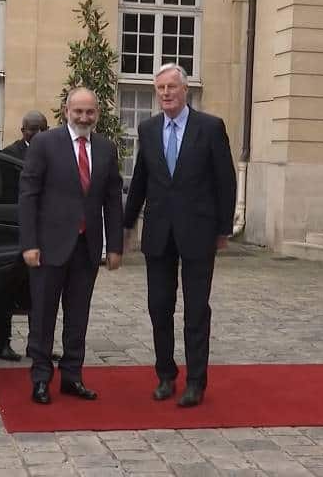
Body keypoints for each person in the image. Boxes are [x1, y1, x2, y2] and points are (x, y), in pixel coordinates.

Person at [124, 63, 237, 408]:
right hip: (158, 233)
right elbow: (141, 180)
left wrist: (223, 228)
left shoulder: (210, 128)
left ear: (185, 90)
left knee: (196, 310)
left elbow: (225, 181)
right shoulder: (149, 129)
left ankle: (196, 381)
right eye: (160, 88)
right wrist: (127, 226)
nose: (166, 93)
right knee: (159, 307)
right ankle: (165, 374)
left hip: (198, 232)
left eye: (172, 87)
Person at [19, 87, 123, 404]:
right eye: (78, 111)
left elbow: (112, 201)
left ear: (97, 115)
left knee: (78, 316)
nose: (83, 117)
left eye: (90, 112)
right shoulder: (44, 144)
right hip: (48, 247)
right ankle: (40, 378)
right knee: (43, 315)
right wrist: (29, 243)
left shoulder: (106, 149)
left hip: (86, 247)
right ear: (66, 111)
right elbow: (28, 196)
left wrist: (115, 245)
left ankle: (72, 376)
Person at [0, 110, 50, 362]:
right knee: (6, 290)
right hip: (13, 232)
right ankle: (1, 343)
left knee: (40, 292)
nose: (34, 134)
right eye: (30, 129)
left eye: (39, 129)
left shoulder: (54, 154)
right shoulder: (8, 155)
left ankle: (36, 346)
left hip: (44, 233)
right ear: (22, 129)